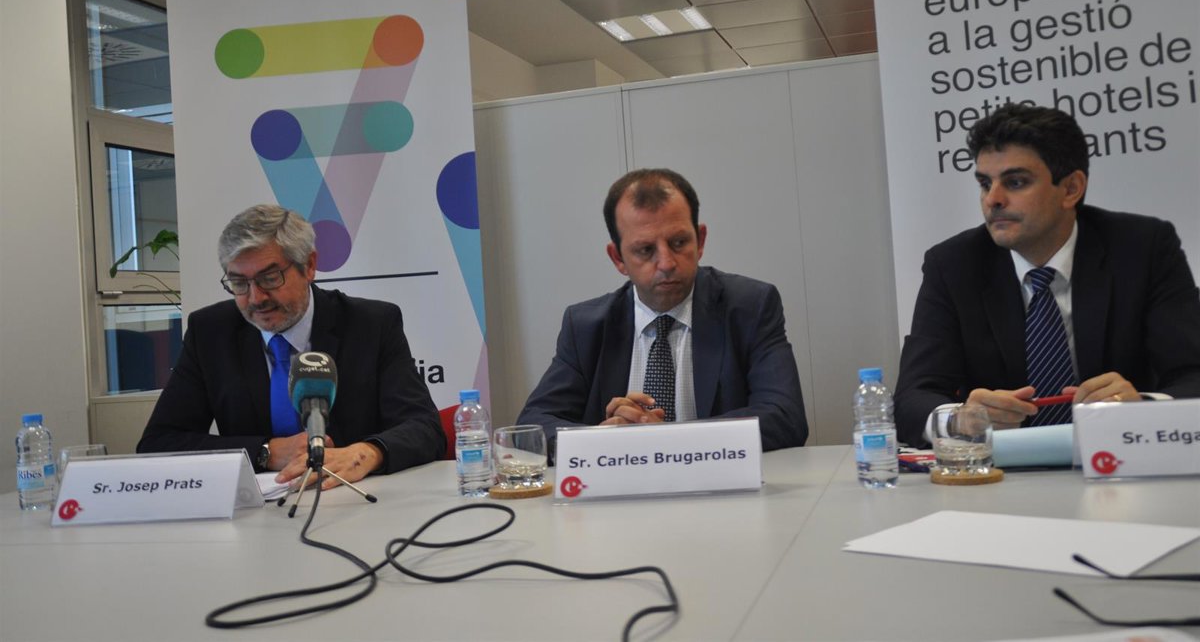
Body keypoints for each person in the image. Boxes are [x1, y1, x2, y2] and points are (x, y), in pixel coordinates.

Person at [895, 104, 1200, 445]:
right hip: (1003, 468)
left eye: (1015, 182)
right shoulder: (953, 265)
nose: (993, 199)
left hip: (1122, 457)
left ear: (1071, 189)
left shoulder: (1143, 249)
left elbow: (1193, 372)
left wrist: (1142, 409)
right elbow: (911, 398)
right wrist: (960, 419)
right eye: (985, 183)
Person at [138, 204, 444, 487]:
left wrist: (365, 453)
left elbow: (424, 428)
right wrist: (266, 452)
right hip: (255, 512)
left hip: (353, 499)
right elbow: (159, 443)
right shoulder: (210, 332)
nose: (256, 298)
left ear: (309, 266)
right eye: (239, 283)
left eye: (270, 278)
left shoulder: (371, 324)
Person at [517, 168, 808, 458]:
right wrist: (606, 441)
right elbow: (532, 426)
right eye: (645, 250)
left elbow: (785, 417)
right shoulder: (586, 327)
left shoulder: (750, 307)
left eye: (679, 243)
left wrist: (665, 439)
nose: (667, 263)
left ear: (700, 240)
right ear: (618, 258)